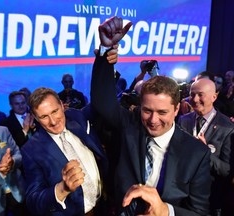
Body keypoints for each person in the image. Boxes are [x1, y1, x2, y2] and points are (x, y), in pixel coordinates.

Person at [91, 16, 211, 215]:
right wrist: (105, 50)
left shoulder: (197, 153)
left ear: (177, 109)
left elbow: (200, 212)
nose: (153, 120)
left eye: (162, 112)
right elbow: (103, 103)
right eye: (147, 111)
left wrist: (166, 211)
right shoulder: (130, 125)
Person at [21, 87, 109, 215]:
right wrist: (62, 189)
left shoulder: (76, 116)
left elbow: (99, 101)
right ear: (35, 117)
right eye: (44, 116)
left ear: (62, 105)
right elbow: (33, 201)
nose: (53, 121)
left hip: (104, 205)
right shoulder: (31, 150)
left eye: (55, 111)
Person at [178, 78, 234, 216]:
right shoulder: (184, 120)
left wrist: (205, 152)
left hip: (210, 199)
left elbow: (227, 170)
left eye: (200, 95)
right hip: (183, 195)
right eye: (192, 94)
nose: (195, 99)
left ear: (214, 97)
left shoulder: (227, 127)